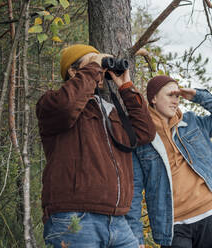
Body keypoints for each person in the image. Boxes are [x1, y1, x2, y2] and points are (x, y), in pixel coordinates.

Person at [36, 44, 156, 247]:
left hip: (118, 221)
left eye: (101, 66)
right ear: (74, 71)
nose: (100, 70)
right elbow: (66, 108)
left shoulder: (110, 112)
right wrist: (94, 67)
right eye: (94, 63)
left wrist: (125, 86)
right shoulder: (52, 102)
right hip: (75, 218)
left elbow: (145, 133)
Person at [126, 75, 212, 247]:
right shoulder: (143, 137)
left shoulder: (193, 122)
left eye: (177, 96)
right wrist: (136, 236)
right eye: (170, 95)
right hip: (172, 224)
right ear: (153, 98)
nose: (175, 101)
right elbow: (134, 189)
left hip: (208, 212)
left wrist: (198, 96)